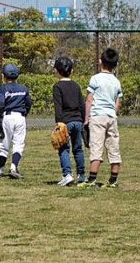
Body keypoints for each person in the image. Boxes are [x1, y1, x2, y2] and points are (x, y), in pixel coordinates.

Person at [78, 48, 123, 188]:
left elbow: (89, 100)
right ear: (115, 66)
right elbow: (117, 102)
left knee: (96, 147)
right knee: (113, 147)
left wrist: (86, 119)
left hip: (97, 116)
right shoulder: (116, 81)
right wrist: (113, 115)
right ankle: (113, 180)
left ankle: (92, 179)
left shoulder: (95, 79)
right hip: (111, 117)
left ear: (100, 62)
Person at [0, 63, 32, 179]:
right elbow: (28, 104)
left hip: (7, 116)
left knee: (4, 144)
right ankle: (13, 167)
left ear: (3, 76)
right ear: (17, 75)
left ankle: (0, 169)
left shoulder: (3, 89)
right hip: (20, 117)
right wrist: (24, 114)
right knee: (18, 144)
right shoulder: (23, 88)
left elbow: (1, 104)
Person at [52, 56, 85, 186]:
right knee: (78, 149)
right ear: (72, 71)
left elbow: (58, 106)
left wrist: (58, 123)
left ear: (56, 71)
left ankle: (67, 175)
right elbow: (81, 104)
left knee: (63, 148)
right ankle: (81, 175)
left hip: (65, 121)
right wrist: (84, 120)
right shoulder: (76, 86)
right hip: (78, 120)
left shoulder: (57, 86)